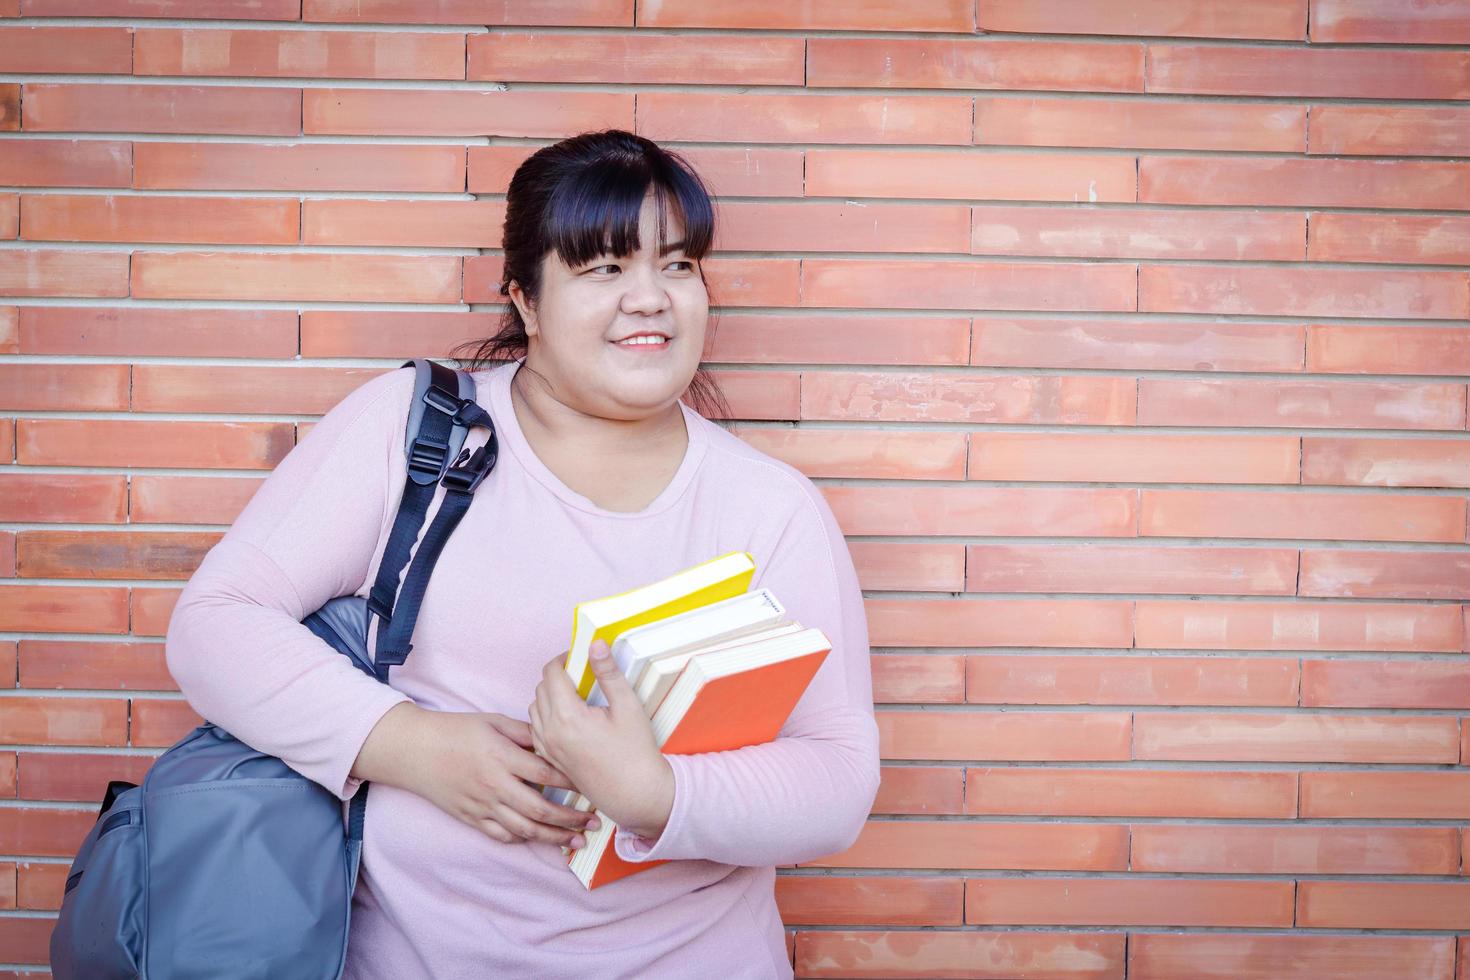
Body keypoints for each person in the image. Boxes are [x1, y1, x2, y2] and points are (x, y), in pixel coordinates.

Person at [165, 129, 880, 979]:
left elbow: (836, 780)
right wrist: (410, 745)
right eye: (604, 268)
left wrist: (654, 795)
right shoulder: (414, 435)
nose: (650, 298)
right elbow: (213, 625)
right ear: (527, 301)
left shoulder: (770, 508)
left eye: (678, 266)